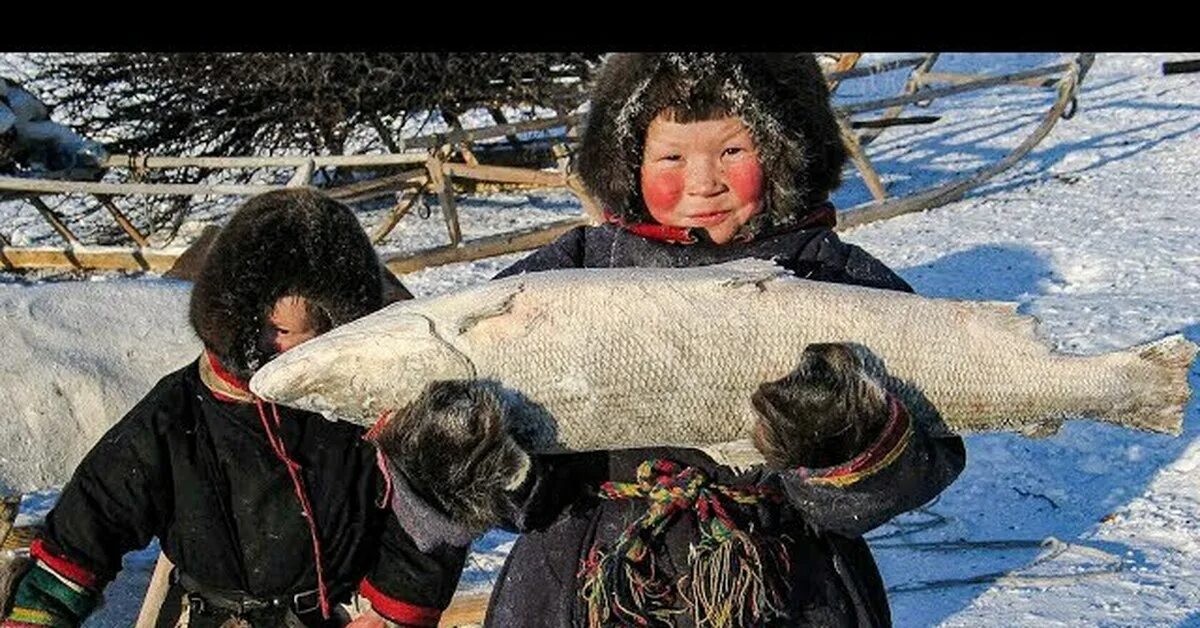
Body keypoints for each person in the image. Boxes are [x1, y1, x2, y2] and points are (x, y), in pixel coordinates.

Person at [377, 53, 966, 627]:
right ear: (627, 161)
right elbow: (514, 466)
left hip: (787, 584)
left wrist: (845, 442)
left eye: (732, 150)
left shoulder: (832, 281)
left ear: (786, 153)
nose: (702, 182)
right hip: (581, 581)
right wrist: (474, 457)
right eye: (671, 156)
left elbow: (929, 442)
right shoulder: (570, 277)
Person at [2, 188, 465, 628]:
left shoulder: (365, 405)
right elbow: (94, 515)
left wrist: (394, 608)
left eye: (310, 331)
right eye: (273, 330)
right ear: (234, 314)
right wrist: (38, 611)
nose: (285, 347)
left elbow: (428, 509)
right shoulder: (179, 414)